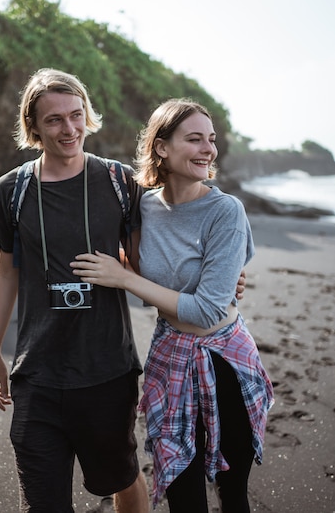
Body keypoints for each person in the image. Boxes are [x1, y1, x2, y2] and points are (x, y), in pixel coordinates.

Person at [71, 98, 274, 512]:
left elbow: (205, 310)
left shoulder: (225, 211)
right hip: (169, 357)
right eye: (194, 139)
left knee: (232, 493)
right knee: (182, 495)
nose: (208, 149)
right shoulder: (141, 208)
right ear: (161, 147)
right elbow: (127, 259)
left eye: (211, 140)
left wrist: (126, 279)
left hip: (224, 361)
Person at [0, 68, 150, 513]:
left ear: (88, 115)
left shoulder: (119, 182)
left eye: (76, 115)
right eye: (54, 119)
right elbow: (7, 272)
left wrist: (220, 281)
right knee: (43, 502)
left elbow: (148, 265)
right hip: (36, 371)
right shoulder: (11, 190)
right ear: (33, 126)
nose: (69, 128)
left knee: (123, 479)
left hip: (107, 370)